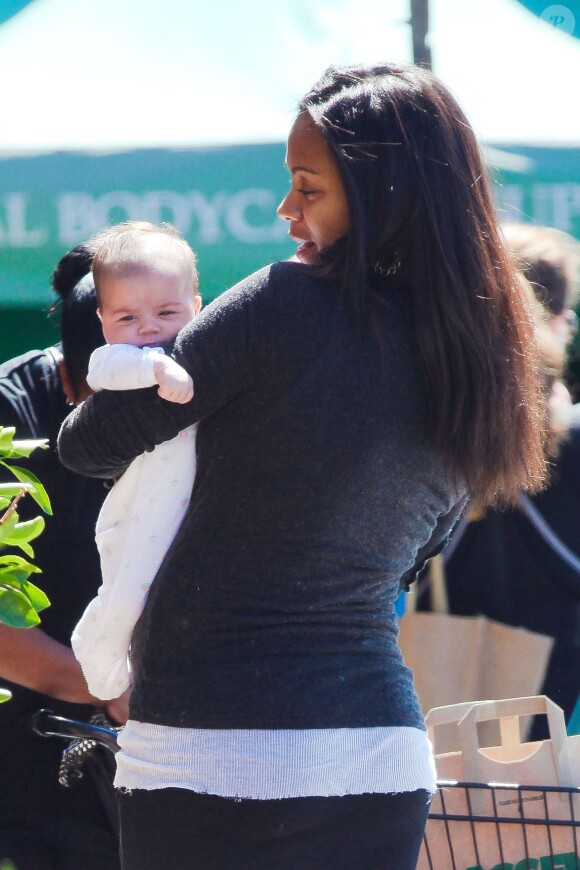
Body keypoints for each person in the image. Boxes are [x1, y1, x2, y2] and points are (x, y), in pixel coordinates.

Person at [58, 63, 547, 870]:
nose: (287, 211)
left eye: (307, 188)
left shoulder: (284, 303)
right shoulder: (484, 358)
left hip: (206, 745)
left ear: (381, 192)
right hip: (377, 760)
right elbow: (420, 550)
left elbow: (91, 444)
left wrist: (134, 361)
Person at [0, 244, 128, 870]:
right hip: (25, 752)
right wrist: (113, 689)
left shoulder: (194, 411)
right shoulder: (10, 425)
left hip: (140, 751)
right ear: (76, 376)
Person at [438, 222, 580, 738]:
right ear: (560, 321)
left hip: (442, 684)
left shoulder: (441, 430)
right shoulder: (563, 436)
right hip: (559, 681)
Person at [72, 221, 201, 701]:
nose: (147, 328)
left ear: (197, 308)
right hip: (140, 511)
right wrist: (156, 367)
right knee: (127, 595)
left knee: (161, 600)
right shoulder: (117, 361)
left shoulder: (210, 354)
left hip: (189, 510)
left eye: (166, 311)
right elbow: (106, 370)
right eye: (126, 318)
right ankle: (99, 664)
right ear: (104, 322)